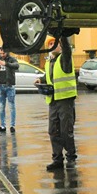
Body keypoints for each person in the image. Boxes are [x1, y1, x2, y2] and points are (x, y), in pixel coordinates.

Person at [38, 35, 77, 171]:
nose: (52, 46)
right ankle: (57, 159)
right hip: (53, 101)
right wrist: (40, 80)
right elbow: (49, 76)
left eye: (55, 43)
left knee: (66, 131)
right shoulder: (49, 62)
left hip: (65, 100)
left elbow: (67, 49)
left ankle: (71, 157)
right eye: (50, 44)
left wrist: (63, 35)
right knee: (53, 131)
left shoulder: (65, 59)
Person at [0, 46, 19, 133]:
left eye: (3, 53)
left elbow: (16, 65)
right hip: (1, 86)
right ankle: (2, 126)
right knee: (1, 107)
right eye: (0, 53)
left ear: (7, 52)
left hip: (10, 86)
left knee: (11, 106)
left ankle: (12, 126)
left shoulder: (11, 59)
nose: (2, 55)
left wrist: (6, 64)